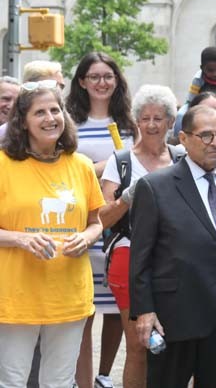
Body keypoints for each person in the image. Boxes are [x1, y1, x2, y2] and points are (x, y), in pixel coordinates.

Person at [129, 105, 216, 387]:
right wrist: (144, 311)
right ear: (184, 139)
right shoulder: (155, 187)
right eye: (207, 136)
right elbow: (140, 258)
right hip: (175, 317)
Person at [0, 81, 105, 387]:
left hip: (68, 294)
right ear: (22, 121)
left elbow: (96, 221)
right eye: (40, 112)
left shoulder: (81, 165)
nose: (50, 118)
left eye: (55, 110)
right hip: (16, 295)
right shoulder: (4, 165)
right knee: (12, 380)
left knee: (59, 382)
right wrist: (20, 238)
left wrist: (86, 238)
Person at [98, 85, 181, 388]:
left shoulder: (183, 159)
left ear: (171, 121)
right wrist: (128, 197)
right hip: (129, 257)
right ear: (136, 121)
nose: (151, 125)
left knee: (178, 346)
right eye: (144, 118)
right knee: (138, 345)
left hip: (175, 259)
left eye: (158, 118)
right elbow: (103, 217)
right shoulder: (120, 162)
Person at [67, 52, 136, 388]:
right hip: (85, 223)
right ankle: (83, 381)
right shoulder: (70, 123)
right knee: (85, 308)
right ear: (81, 81)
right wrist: (106, 167)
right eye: (93, 76)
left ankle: (104, 375)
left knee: (116, 308)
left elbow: (138, 165)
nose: (101, 82)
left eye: (107, 76)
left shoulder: (129, 124)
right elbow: (66, 171)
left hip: (122, 226)